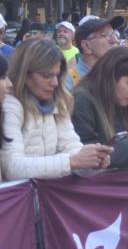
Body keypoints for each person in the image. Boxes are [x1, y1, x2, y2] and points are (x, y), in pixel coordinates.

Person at [1, 39, 113, 180]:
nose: (54, 83)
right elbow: (12, 168)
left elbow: (71, 146)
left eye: (57, 75)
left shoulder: (59, 101)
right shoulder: (10, 105)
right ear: (24, 74)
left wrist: (92, 161)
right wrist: (72, 161)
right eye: (46, 76)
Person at [72, 47, 128, 168]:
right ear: (110, 79)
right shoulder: (81, 100)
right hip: (93, 183)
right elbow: (84, 155)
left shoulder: (127, 100)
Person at [69, 15, 124, 89]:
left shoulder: (121, 75)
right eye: (105, 35)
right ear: (86, 46)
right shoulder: (69, 83)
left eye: (114, 34)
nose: (114, 40)